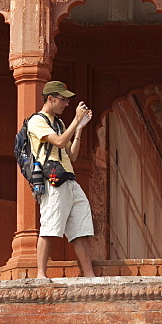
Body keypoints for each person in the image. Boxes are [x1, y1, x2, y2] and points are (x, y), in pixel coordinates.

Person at [27, 80, 95, 279]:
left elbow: (71, 155)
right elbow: (58, 141)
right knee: (50, 226)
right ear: (50, 98)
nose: (66, 104)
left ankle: (89, 274)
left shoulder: (58, 123)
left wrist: (80, 128)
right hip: (53, 180)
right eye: (63, 100)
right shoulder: (37, 121)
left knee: (81, 228)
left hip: (69, 178)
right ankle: (41, 274)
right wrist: (75, 120)